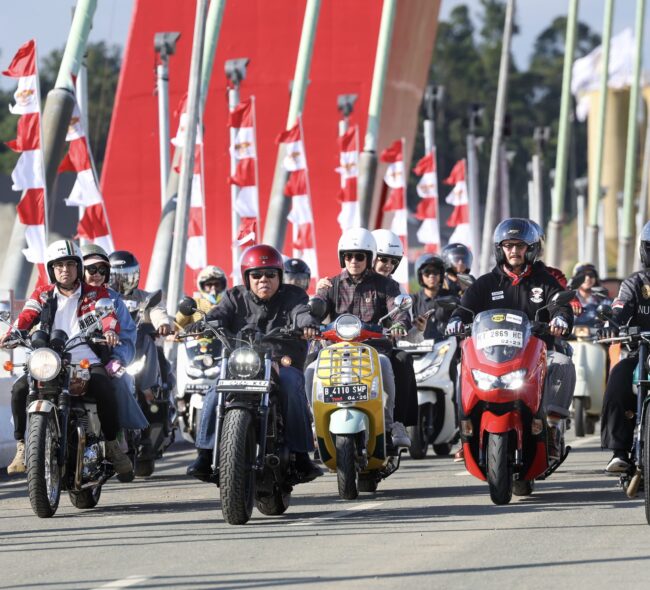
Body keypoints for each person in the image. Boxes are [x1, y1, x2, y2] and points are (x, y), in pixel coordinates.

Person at [186, 244, 323, 481]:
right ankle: (205, 454)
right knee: (213, 389)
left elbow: (302, 312)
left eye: (270, 274)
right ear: (246, 277)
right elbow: (218, 314)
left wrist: (307, 324)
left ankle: (302, 456)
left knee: (291, 385)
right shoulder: (234, 296)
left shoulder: (294, 296)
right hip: (241, 365)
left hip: (280, 362)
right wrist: (203, 324)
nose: (263, 280)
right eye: (256, 275)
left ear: (279, 276)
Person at [446, 218, 575, 460]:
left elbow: (561, 306)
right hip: (492, 357)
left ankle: (552, 427)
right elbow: (464, 309)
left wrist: (560, 319)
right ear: (500, 249)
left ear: (531, 248)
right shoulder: (486, 283)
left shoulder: (544, 281)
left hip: (537, 354)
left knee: (564, 363)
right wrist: (455, 320)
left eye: (519, 246)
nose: (514, 251)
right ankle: (467, 435)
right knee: (459, 368)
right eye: (508, 246)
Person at [2, 240, 132, 475]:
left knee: (104, 386)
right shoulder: (42, 294)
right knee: (20, 389)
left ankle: (112, 444)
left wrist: (110, 330)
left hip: (85, 359)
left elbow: (106, 313)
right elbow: (27, 316)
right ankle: (22, 446)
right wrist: (11, 334)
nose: (65, 270)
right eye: (59, 265)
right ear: (52, 269)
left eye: (71, 264)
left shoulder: (96, 293)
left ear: (79, 267)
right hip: (49, 359)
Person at [306, 227, 412, 448]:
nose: (353, 260)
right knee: (308, 368)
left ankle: (392, 424)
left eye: (359, 256)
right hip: (335, 348)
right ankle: (314, 423)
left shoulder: (386, 285)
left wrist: (400, 324)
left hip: (373, 349)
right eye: (349, 256)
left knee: (395, 362)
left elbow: (398, 309)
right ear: (342, 257)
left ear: (369, 257)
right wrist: (310, 319)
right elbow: (318, 305)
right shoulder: (331, 284)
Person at [81, 244, 147, 431]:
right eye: (91, 269)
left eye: (102, 270)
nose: (97, 274)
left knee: (120, 381)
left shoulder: (112, 299)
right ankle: (26, 443)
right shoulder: (63, 296)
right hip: (70, 362)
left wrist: (116, 358)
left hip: (104, 360)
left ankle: (120, 438)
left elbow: (126, 336)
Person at [600, 222, 650, 472]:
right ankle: (619, 452)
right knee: (617, 381)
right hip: (639, 354)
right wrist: (613, 323)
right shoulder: (635, 282)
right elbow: (620, 307)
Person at [109, 250, 173, 399]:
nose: (122, 282)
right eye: (117, 278)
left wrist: (162, 323)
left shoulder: (145, 297)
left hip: (139, 346)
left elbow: (157, 309)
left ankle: (151, 389)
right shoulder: (104, 298)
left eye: (127, 277)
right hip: (112, 346)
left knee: (156, 351)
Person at [411, 253, 456, 341]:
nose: (431, 275)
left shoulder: (452, 297)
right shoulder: (413, 301)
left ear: (441, 274)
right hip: (420, 350)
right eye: (427, 272)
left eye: (435, 272)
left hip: (448, 348)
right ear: (420, 275)